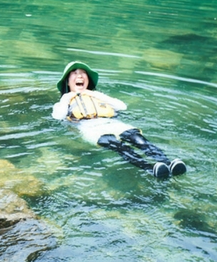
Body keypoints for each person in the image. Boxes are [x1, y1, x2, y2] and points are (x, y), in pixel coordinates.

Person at [52, 61, 186, 178]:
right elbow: (58, 116)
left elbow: (122, 106)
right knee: (117, 145)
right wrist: (67, 97)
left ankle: (168, 163)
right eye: (74, 73)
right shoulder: (64, 101)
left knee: (137, 138)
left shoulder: (96, 95)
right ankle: (151, 169)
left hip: (113, 123)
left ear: (88, 80)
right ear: (67, 82)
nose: (79, 75)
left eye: (83, 73)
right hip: (89, 128)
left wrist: (93, 94)